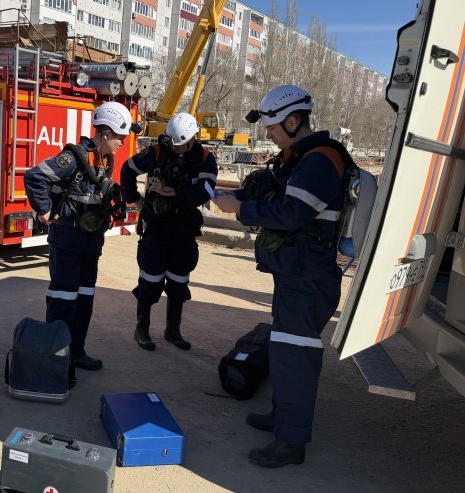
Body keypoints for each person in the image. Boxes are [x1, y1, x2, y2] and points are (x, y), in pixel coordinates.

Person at [214, 85, 347, 468]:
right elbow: (279, 200)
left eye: (272, 127)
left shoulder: (320, 160)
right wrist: (241, 199)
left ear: (292, 121)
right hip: (296, 271)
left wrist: (240, 212)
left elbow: (291, 214)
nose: (268, 134)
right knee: (285, 350)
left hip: (308, 275)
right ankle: (282, 417)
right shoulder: (301, 158)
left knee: (295, 358)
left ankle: (291, 443)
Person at [24, 101, 133, 384]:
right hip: (68, 242)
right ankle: (56, 361)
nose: (123, 143)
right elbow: (35, 176)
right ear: (105, 133)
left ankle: (76, 352)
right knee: (63, 302)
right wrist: (44, 210)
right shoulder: (74, 158)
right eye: (120, 137)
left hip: (90, 244)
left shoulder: (103, 161)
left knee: (84, 301)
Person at [120, 112, 217, 351]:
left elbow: (206, 192)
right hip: (157, 224)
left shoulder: (205, 158)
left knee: (178, 279)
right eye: (173, 144)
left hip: (184, 227)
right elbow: (127, 169)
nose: (175, 149)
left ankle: (172, 331)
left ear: (193, 138)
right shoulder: (156, 152)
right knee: (150, 278)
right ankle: (141, 329)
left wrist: (171, 193)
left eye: (180, 145)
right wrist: (135, 200)